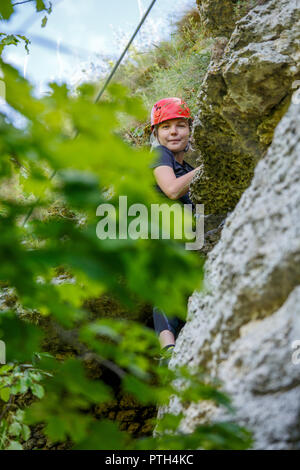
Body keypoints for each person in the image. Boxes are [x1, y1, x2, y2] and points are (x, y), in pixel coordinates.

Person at [149, 97, 201, 355]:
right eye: (166, 127)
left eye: (180, 125)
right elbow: (171, 189)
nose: (174, 132)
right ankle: (167, 350)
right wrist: (207, 169)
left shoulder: (187, 167)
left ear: (190, 130)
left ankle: (178, 346)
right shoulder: (159, 154)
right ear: (156, 134)